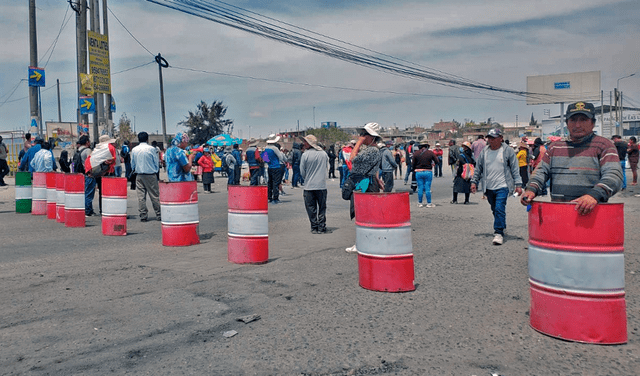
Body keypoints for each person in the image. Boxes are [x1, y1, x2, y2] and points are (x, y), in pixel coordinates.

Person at [521, 102, 623, 216]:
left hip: (593, 215)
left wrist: (594, 195)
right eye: (573, 120)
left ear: (593, 123)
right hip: (560, 213)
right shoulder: (555, 147)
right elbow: (541, 171)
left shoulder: (604, 145)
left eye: (583, 119)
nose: (578, 125)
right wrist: (531, 188)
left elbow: (614, 175)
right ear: (567, 123)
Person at [470, 128, 523, 246]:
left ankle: (498, 232)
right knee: (495, 209)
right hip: (488, 187)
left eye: (493, 138)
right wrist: (474, 182)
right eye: (489, 138)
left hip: (503, 185)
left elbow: (515, 168)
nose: (491, 140)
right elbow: (478, 168)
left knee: (499, 208)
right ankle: (501, 225)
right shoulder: (485, 151)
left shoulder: (507, 151)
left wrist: (518, 185)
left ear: (500, 138)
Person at [345, 122, 384, 253]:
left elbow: (352, 158)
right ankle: (366, 241)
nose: (361, 136)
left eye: (363, 134)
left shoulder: (372, 150)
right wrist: (378, 179)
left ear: (370, 136)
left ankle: (362, 243)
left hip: (364, 183)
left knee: (363, 214)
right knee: (367, 214)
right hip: (367, 182)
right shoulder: (373, 150)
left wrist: (358, 143)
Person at [299, 135, 329, 234]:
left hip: (309, 186)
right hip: (321, 185)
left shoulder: (305, 155)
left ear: (310, 143)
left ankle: (314, 227)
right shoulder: (324, 154)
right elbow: (326, 168)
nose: (304, 143)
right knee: (322, 207)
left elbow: (302, 171)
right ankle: (322, 227)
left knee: (311, 208)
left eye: (305, 142)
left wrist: (307, 178)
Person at [130, 131, 161, 222]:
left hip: (139, 175)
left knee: (141, 197)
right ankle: (159, 214)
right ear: (147, 139)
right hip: (151, 175)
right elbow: (156, 162)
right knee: (154, 196)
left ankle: (143, 215)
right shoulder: (152, 149)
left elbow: (133, 164)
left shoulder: (135, 150)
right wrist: (156, 171)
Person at [412, 138, 438, 207]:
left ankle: (420, 203)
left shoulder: (416, 153)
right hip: (428, 172)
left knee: (420, 187)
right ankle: (429, 203)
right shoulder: (430, 153)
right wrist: (432, 164)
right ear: (427, 146)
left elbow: (413, 164)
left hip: (419, 172)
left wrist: (415, 169)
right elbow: (437, 161)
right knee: (427, 188)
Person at [75, 136, 96, 216]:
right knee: (89, 193)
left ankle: (87, 209)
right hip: (88, 174)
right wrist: (92, 172)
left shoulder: (78, 150)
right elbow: (90, 162)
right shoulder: (88, 150)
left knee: (84, 193)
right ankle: (88, 211)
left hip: (81, 174)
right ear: (87, 142)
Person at [264, 136, 286, 203]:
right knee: (275, 183)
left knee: (270, 182)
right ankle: (275, 198)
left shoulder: (266, 148)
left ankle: (269, 197)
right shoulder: (275, 148)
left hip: (270, 167)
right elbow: (280, 157)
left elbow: (265, 158)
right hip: (276, 167)